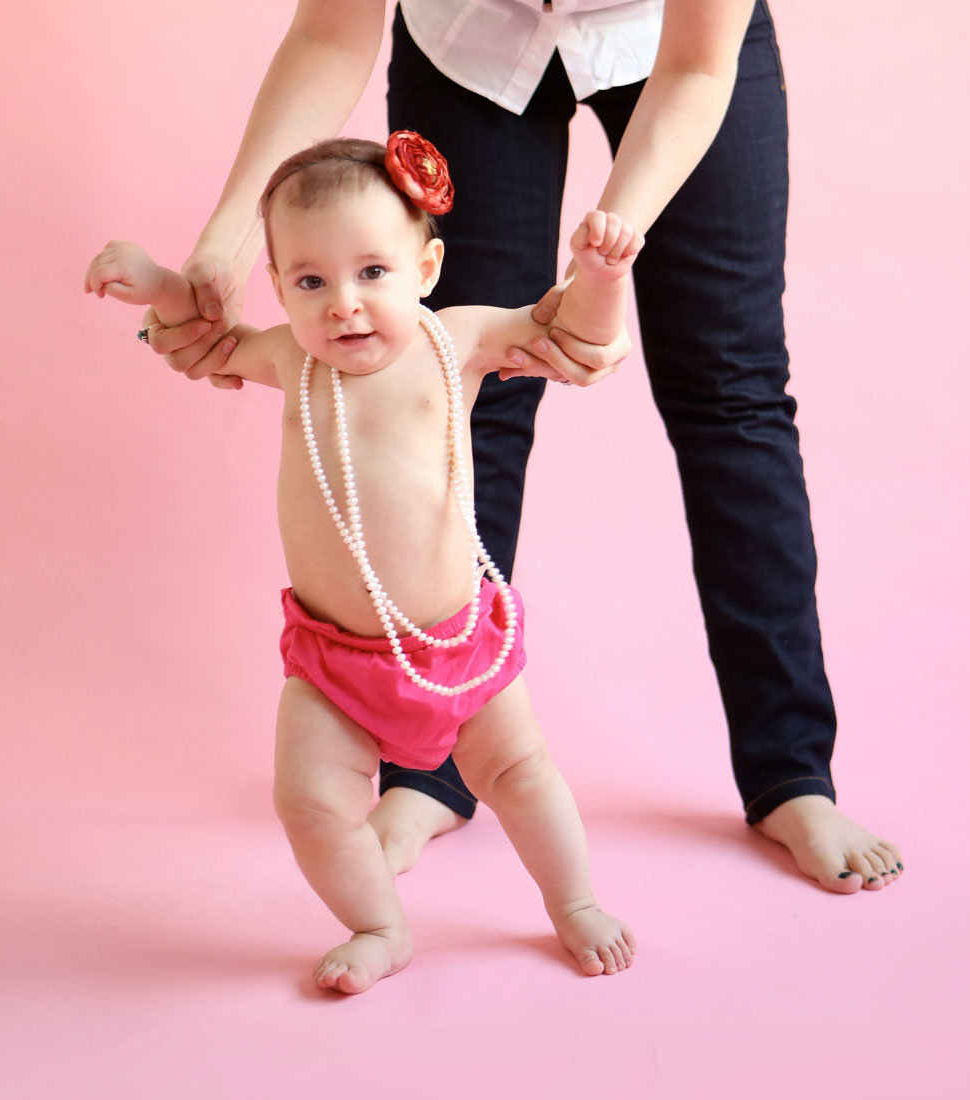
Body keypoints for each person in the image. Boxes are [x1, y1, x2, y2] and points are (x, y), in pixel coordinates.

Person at [142, 0, 902, 893]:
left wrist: (619, 227)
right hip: (469, 39)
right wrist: (225, 229)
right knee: (452, 390)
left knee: (732, 388)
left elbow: (702, 59)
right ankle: (433, 772)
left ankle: (792, 775)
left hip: (670, 41)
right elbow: (331, 26)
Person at [86, 135, 641, 991]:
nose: (343, 304)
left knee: (524, 776)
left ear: (427, 267)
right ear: (279, 288)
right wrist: (161, 286)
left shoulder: (454, 340)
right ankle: (380, 926)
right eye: (311, 281)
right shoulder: (289, 355)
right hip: (334, 664)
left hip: (455, 645)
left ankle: (575, 905)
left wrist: (601, 280)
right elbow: (206, 342)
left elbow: (569, 331)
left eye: (372, 272)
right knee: (309, 806)